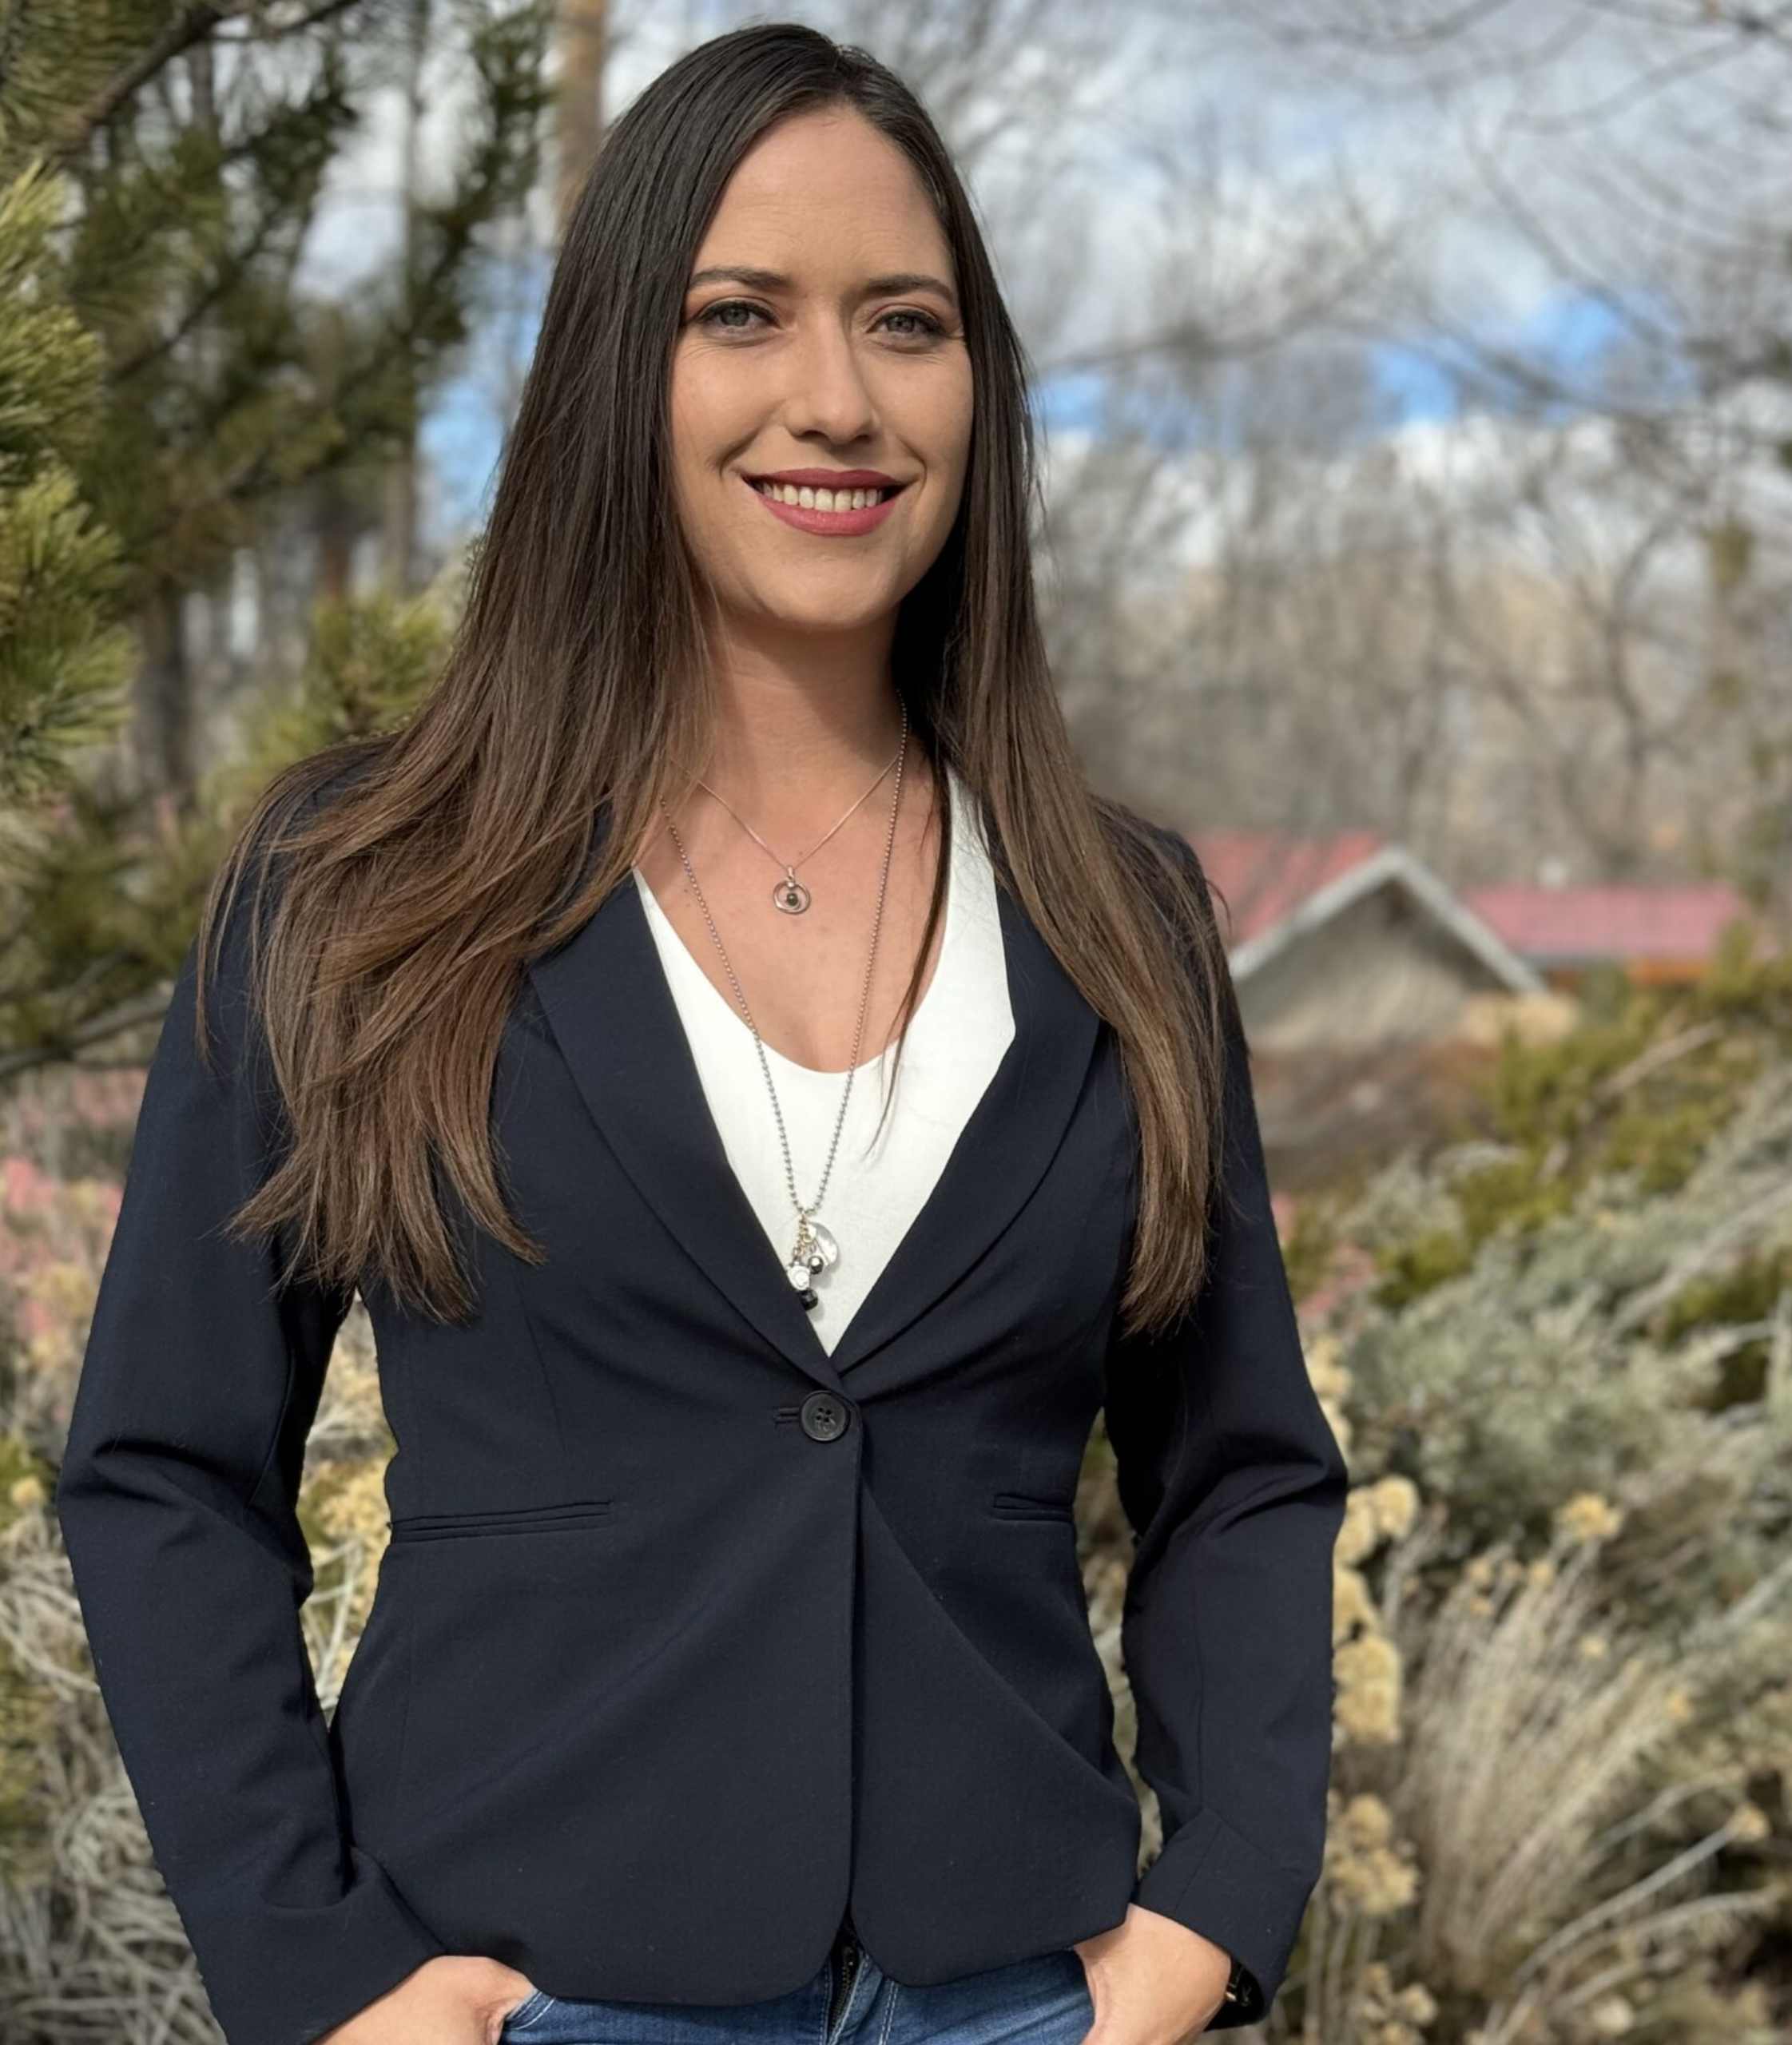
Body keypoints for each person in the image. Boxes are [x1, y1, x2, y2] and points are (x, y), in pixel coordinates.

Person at [54, 22, 1348, 2045]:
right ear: (607, 376)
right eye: (739, 314)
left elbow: (1246, 1469)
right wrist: (315, 1972)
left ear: (975, 387)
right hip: (519, 1988)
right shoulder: (357, 887)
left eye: (905, 322)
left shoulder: (1127, 920)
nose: (834, 397)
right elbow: (162, 1467)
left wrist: (1214, 1905)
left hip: (1021, 1992)